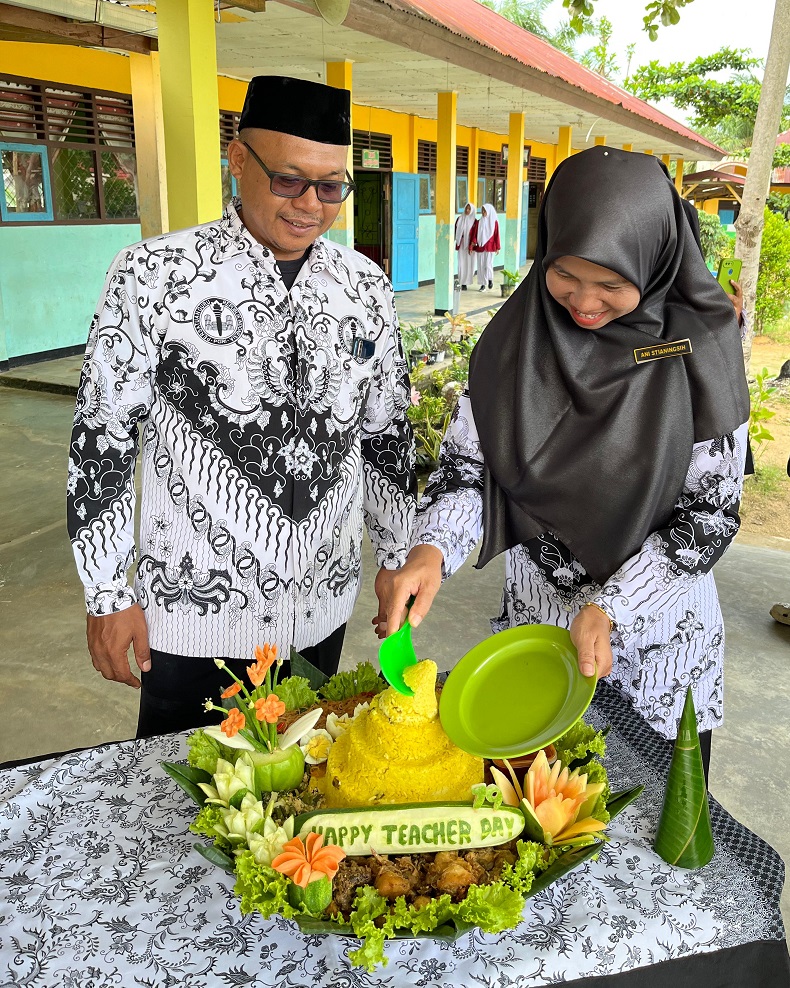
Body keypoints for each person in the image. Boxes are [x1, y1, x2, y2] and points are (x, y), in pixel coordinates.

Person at [375, 146, 750, 779]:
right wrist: (431, 551)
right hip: (536, 639)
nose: (583, 302)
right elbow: (473, 469)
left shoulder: (698, 352)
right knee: (537, 831)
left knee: (648, 845)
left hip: (659, 646)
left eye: (610, 284)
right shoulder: (517, 342)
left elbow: (709, 515)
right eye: (566, 274)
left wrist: (614, 606)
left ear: (656, 261)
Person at [67, 75, 416, 737]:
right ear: (237, 159)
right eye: (289, 180)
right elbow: (103, 435)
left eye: (331, 186)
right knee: (189, 808)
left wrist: (398, 556)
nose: (311, 205)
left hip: (323, 607)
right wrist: (107, 593)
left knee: (298, 788)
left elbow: (387, 429)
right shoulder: (153, 275)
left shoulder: (364, 286)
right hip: (194, 617)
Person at [471, 203, 500, 291]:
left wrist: (497, 247)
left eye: (485, 210)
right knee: (480, 266)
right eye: (482, 210)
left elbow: (496, 235)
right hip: (480, 247)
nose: (483, 212)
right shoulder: (479, 222)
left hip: (490, 247)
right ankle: (482, 284)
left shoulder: (494, 222)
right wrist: (473, 243)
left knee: (488, 265)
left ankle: (490, 279)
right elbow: (475, 234)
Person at [454, 202, 477, 290]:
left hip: (470, 245)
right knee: (461, 262)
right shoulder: (459, 219)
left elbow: (475, 234)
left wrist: (472, 244)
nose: (467, 210)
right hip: (461, 243)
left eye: (469, 209)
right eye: (466, 208)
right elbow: (455, 231)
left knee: (469, 263)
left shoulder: (475, 222)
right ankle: (462, 283)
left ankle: (467, 280)